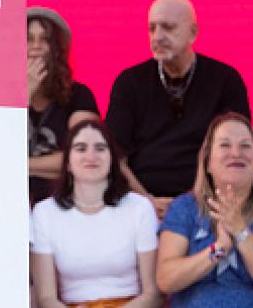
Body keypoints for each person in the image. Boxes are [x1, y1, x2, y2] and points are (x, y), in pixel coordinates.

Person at [105, 0, 250, 218]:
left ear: (193, 32)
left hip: (209, 203)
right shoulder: (129, 82)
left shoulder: (225, 80)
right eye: (152, 28)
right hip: (139, 203)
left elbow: (235, 151)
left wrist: (191, 204)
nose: (158, 37)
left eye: (168, 28)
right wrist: (146, 203)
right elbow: (115, 157)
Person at [156, 113, 253, 307]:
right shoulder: (184, 208)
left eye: (245, 145)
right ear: (208, 163)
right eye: (225, 145)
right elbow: (166, 279)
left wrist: (240, 231)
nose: (236, 153)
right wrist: (219, 249)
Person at [31, 119, 160, 307]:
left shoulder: (139, 207)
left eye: (100, 148)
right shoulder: (45, 212)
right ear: (67, 162)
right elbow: (46, 298)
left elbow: (153, 294)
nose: (91, 156)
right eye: (81, 148)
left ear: (112, 159)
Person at [26, 7, 100, 205]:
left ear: (57, 49)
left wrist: (17, 164)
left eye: (44, 39)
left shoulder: (79, 96)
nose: (36, 47)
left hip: (65, 205)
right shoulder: (1, 98)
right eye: (29, 39)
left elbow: (84, 155)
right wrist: (24, 96)